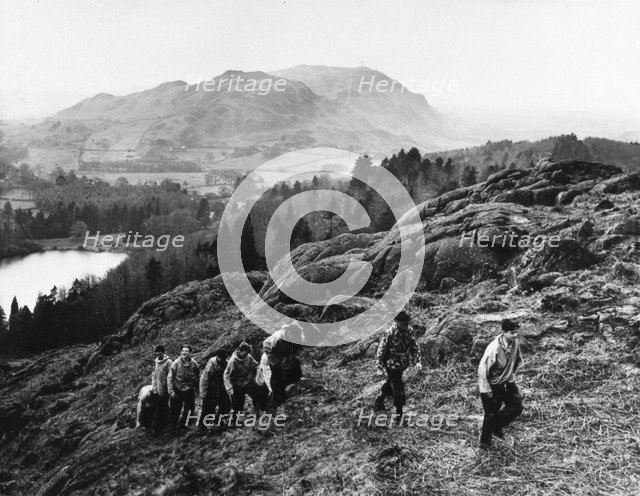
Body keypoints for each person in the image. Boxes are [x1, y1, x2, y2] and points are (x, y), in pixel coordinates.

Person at [478, 318, 524, 450]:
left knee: (516, 406)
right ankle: (484, 443)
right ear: (504, 332)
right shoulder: (494, 349)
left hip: (507, 380)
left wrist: (510, 375)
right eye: (512, 333)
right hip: (491, 384)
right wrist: (487, 391)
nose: (516, 335)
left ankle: (496, 426)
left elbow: (516, 359)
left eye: (516, 332)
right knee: (491, 412)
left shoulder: (514, 343)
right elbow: (483, 371)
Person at [374, 311, 422, 422]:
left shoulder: (409, 331)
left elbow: (414, 346)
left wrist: (418, 361)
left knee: (391, 382)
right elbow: (381, 349)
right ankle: (399, 413)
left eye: (406, 323)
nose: (405, 326)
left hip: (402, 363)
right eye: (402, 324)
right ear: (396, 322)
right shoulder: (389, 332)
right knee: (398, 386)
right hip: (391, 363)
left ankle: (379, 400)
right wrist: (379, 365)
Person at [258, 322, 304, 408]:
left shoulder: (298, 335)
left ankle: (295, 381)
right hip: (271, 350)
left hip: (285, 350)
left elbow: (297, 349)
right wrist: (282, 364)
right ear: (289, 333)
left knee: (294, 363)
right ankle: (276, 396)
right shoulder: (277, 339)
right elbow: (276, 356)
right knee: (277, 373)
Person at [224, 342, 268, 421]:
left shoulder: (248, 357)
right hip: (237, 385)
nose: (246, 354)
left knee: (257, 396)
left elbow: (255, 365)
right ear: (240, 351)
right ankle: (235, 420)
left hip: (248, 382)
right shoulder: (232, 361)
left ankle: (258, 413)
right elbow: (227, 376)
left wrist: (260, 371)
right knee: (237, 404)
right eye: (245, 352)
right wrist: (230, 389)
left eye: (247, 353)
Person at [168, 345, 200, 430]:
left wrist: (195, 385)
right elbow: (170, 377)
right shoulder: (176, 363)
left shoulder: (193, 363)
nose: (184, 353)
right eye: (183, 351)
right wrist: (172, 391)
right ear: (181, 352)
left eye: (186, 351)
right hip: (177, 388)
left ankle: (184, 425)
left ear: (190, 353)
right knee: (175, 409)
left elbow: (197, 373)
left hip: (189, 388)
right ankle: (172, 426)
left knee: (190, 408)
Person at [198, 349, 231, 431]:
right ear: (218, 357)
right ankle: (201, 427)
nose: (223, 360)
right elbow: (204, 379)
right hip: (211, 390)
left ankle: (218, 420)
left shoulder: (226, 363)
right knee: (207, 410)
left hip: (221, 389)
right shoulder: (211, 364)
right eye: (222, 359)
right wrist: (203, 393)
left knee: (226, 406)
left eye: (224, 359)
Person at [150, 345, 172, 434]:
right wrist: (154, 388)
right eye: (157, 353)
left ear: (163, 352)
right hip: (156, 389)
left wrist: (169, 390)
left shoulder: (169, 362)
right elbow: (154, 376)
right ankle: (165, 423)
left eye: (160, 353)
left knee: (160, 408)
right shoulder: (156, 361)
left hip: (165, 390)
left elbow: (170, 377)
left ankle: (156, 428)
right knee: (160, 407)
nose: (159, 355)